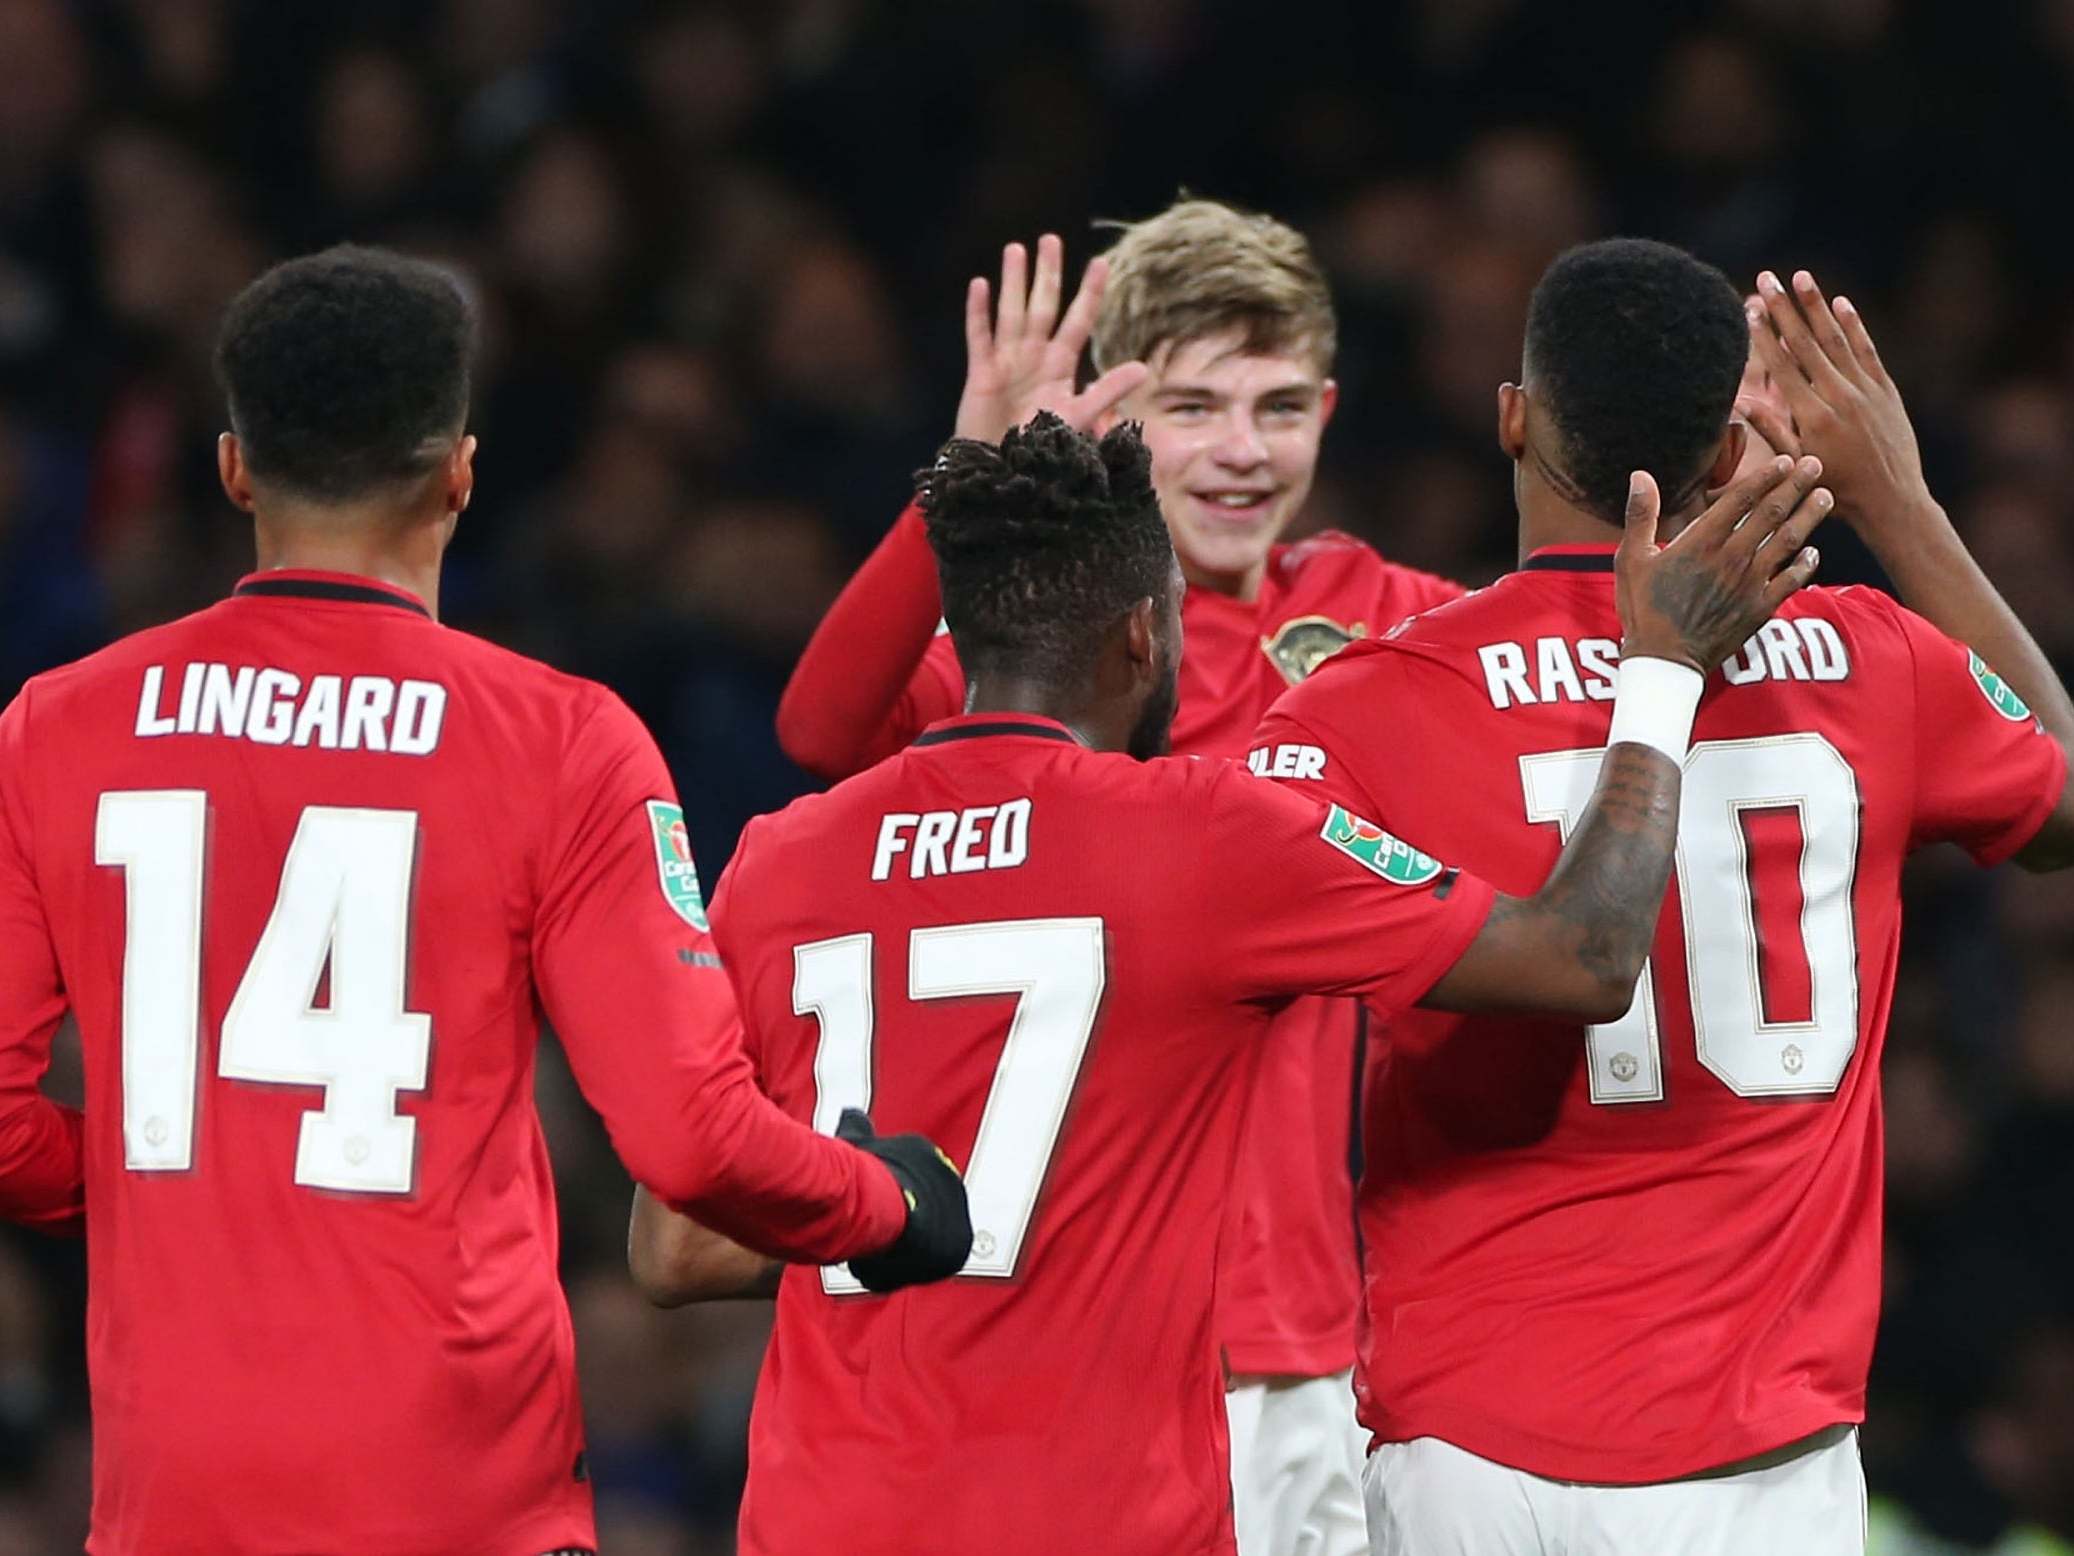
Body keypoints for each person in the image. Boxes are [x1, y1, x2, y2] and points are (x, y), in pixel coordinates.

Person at [631, 408, 1826, 1555]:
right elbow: (1582, 953)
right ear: (1146, 638)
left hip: (819, 1523)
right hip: (1105, 1525)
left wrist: (909, 1213)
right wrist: (1661, 669)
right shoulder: (1206, 833)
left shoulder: (778, 859)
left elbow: (676, 1248)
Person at [0, 245, 972, 1556]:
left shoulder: (54, 730)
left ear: (234, 467)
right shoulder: (559, 742)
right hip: (464, 1502)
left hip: (177, 1505)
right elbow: (688, 1139)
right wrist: (888, 1201)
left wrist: (179, 1179)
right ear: (459, 469)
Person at [1249, 238, 2074, 1553]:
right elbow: (2061, 799)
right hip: (1767, 1470)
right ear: (1725, 451)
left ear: (1513, 418)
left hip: (1475, 1449)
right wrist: (1898, 499)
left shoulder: (1371, 707)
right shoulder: (1870, 658)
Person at [766, 200, 1469, 1552]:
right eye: (1196, 406)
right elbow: (822, 729)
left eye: (1278, 406)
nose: (1242, 452)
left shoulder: (1390, 623)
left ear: (1327, 406)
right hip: (1034, 1320)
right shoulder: (1055, 653)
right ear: (1118, 414)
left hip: (1277, 1338)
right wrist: (974, 466)